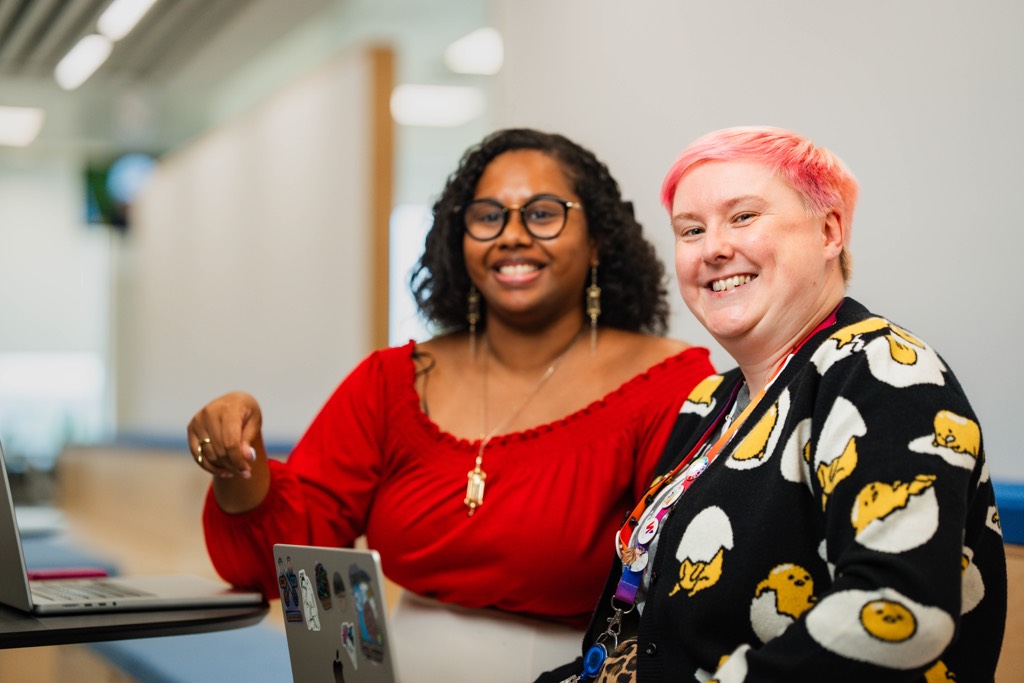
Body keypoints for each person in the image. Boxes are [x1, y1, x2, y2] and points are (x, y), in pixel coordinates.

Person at [186, 128, 715, 681]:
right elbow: (286, 561)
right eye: (488, 216)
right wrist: (237, 465)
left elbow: (681, 591)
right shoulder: (390, 381)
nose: (511, 235)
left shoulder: (672, 387)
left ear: (598, 238)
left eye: (542, 214)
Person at [539, 126, 1007, 683]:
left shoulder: (880, 369)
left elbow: (899, 614)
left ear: (830, 230)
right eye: (691, 229)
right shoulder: (711, 402)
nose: (713, 248)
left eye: (743, 217)